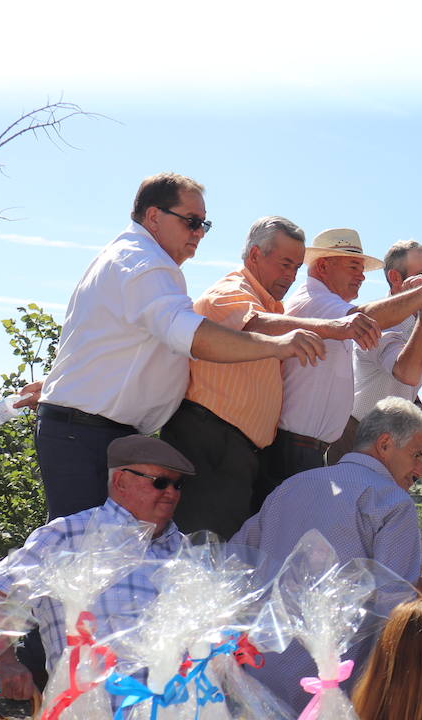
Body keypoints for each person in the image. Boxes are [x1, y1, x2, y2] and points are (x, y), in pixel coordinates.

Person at [35, 173, 326, 523]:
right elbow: (191, 336)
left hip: (92, 429)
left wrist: (65, 386)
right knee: (81, 554)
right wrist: (277, 346)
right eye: (191, 222)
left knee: (101, 552)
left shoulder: (137, 260)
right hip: (87, 433)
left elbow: (107, 342)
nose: (199, 233)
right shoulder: (144, 263)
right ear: (154, 216)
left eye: (204, 224)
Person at [159, 216, 383, 538]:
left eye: (295, 266)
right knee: (206, 548)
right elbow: (252, 324)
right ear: (254, 256)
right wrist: (334, 328)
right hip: (212, 442)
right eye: (285, 264)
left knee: (227, 549)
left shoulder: (274, 306)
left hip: (235, 449)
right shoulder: (230, 290)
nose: (290, 275)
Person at [236, 397, 422, 712]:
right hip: (333, 694)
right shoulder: (392, 503)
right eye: (416, 455)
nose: (419, 471)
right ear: (384, 444)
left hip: (259, 676)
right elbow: (393, 613)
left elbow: (237, 563)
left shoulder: (290, 487)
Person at [0, 435, 193, 698]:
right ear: (120, 481)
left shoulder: (185, 550)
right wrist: (4, 662)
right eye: (160, 482)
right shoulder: (68, 535)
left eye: (178, 485)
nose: (171, 492)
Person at [267, 229, 422, 486]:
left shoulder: (339, 308)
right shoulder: (327, 304)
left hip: (325, 446)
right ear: (324, 265)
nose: (361, 277)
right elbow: (408, 373)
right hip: (327, 445)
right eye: (353, 266)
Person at [333, 239, 422, 463]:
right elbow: (408, 373)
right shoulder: (378, 324)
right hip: (358, 441)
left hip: (389, 442)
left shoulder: (413, 325)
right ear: (395, 278)